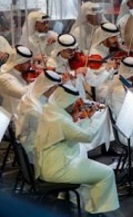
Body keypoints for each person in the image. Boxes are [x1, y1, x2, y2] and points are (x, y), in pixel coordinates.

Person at [34, 84, 120, 215]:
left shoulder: (50, 109)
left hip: (50, 163)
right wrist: (95, 119)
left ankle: (90, 207)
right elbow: (87, 136)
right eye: (73, 104)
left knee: (89, 166)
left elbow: (73, 131)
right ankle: (96, 212)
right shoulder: (60, 119)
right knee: (107, 174)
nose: (75, 106)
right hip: (59, 168)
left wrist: (87, 118)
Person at [15, 69, 62, 163]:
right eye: (55, 88)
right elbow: (49, 135)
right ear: (48, 88)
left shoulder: (31, 95)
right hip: (35, 149)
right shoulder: (34, 109)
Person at [0, 45, 35, 118]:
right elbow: (22, 93)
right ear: (18, 63)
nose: (30, 65)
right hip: (12, 117)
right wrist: (39, 81)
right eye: (27, 62)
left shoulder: (22, 73)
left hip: (23, 111)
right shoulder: (5, 78)